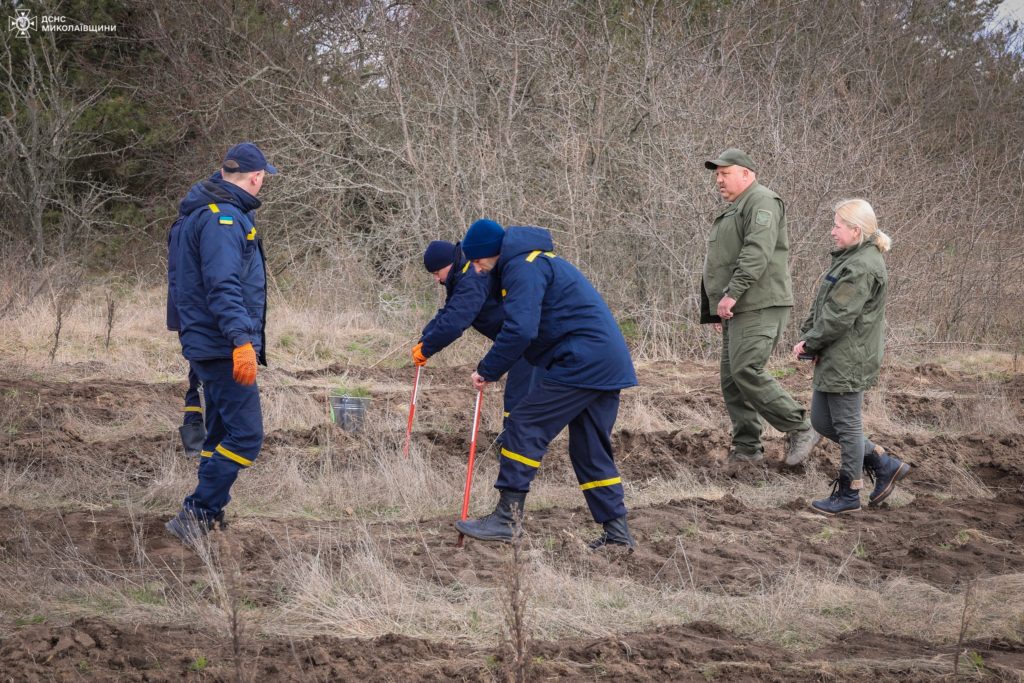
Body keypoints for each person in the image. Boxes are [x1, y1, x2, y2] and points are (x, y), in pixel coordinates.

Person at [454, 219, 639, 550]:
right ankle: (618, 535)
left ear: (489, 254)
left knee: (524, 424)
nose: (479, 271)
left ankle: (506, 520)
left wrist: (488, 368)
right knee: (589, 448)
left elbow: (521, 329)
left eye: (479, 262)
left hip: (583, 361)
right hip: (604, 361)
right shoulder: (533, 261)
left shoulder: (523, 267)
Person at [165, 142, 277, 545]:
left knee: (218, 433)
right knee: (246, 436)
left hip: (207, 343)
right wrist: (241, 341)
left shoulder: (204, 212)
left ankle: (208, 513)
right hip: (222, 346)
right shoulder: (222, 219)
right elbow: (223, 286)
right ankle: (196, 513)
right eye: (265, 177)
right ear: (256, 177)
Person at [700, 148, 818, 465]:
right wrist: (716, 306)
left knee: (745, 370)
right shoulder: (736, 208)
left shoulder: (762, 201)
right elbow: (721, 261)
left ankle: (800, 427)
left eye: (725, 173)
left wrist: (732, 293)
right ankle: (747, 450)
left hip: (759, 303)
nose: (719, 180)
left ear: (747, 174)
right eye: (717, 175)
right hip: (738, 307)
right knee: (732, 380)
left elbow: (757, 252)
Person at [793, 199, 910, 514]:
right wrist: (809, 337)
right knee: (820, 420)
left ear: (856, 230)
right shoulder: (850, 258)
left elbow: (839, 316)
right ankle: (883, 464)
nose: (832, 232)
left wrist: (811, 343)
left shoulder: (861, 266)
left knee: (846, 426)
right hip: (836, 353)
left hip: (849, 357)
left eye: (837, 226)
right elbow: (825, 305)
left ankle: (848, 494)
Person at [414, 240, 537, 434]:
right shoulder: (461, 276)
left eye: (437, 273)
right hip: (517, 345)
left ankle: (515, 447)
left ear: (448, 264)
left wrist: (427, 348)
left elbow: (455, 322)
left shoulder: (472, 278)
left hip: (528, 344)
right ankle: (514, 442)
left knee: (519, 398)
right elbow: (449, 310)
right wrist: (425, 338)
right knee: (518, 396)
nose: (436, 280)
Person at [167, 215, 205, 458]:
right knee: (205, 379)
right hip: (200, 317)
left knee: (196, 377)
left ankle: (195, 443)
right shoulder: (207, 224)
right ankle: (205, 444)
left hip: (186, 315)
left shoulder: (181, 224)